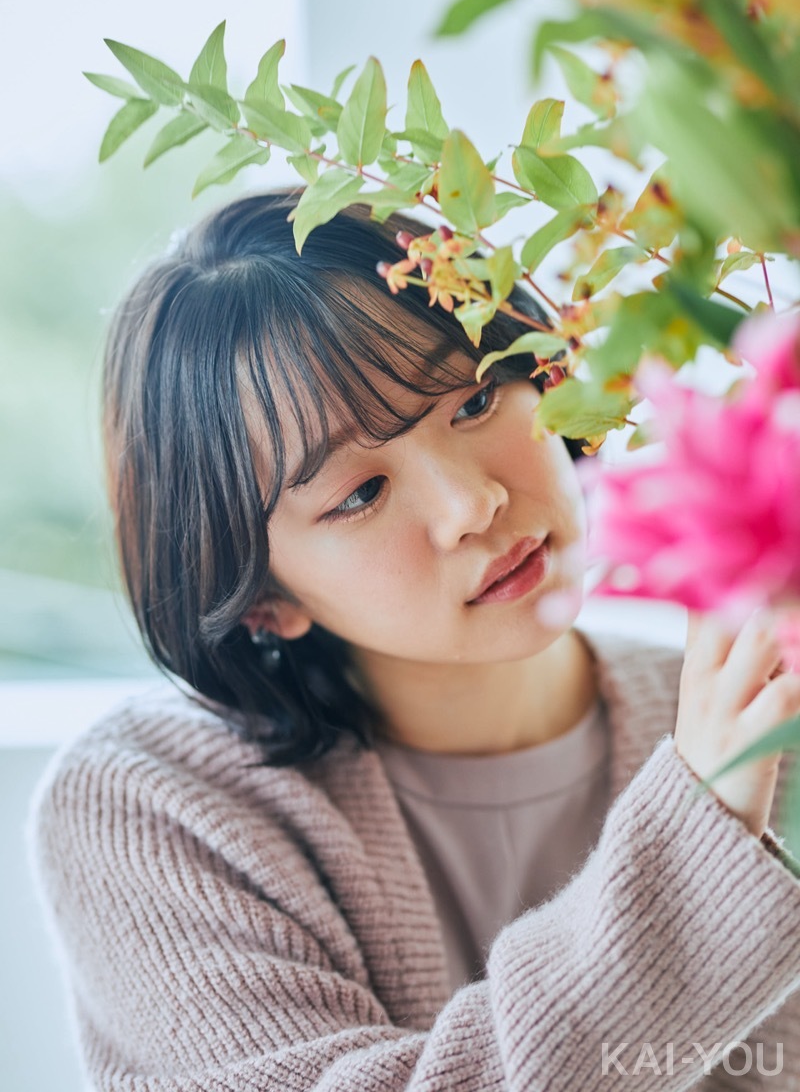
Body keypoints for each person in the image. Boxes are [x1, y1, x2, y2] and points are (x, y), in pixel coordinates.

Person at [29, 188, 800, 1090]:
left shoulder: (755, 707)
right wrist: (699, 835)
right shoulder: (151, 808)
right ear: (262, 600)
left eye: (474, 401)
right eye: (359, 493)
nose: (471, 505)